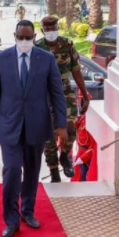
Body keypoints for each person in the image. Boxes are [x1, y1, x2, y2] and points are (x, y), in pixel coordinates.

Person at [0, 20, 68, 237]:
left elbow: (57, 94)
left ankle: (27, 212)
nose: (24, 41)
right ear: (14, 35)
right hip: (9, 126)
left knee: (32, 172)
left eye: (28, 37)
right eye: (20, 37)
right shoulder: (0, 60)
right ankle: (11, 220)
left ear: (33, 36)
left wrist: (61, 125)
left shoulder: (46, 59)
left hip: (36, 125)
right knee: (11, 170)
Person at [36, 16, 90, 182]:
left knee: (70, 126)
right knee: (48, 134)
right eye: (47, 28)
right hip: (43, 95)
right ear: (42, 30)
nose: (51, 30)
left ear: (57, 27)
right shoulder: (37, 47)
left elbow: (76, 71)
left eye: (53, 27)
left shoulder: (67, 45)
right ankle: (54, 171)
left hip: (64, 92)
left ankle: (65, 156)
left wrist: (85, 94)